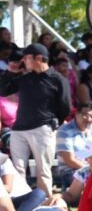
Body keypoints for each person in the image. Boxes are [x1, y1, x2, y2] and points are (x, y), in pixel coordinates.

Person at [1, 44, 72, 196]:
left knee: (43, 171)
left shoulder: (58, 79)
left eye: (26, 57)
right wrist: (10, 72)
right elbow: (3, 90)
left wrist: (51, 123)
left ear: (38, 58)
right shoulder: (25, 78)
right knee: (17, 169)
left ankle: (46, 204)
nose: (23, 61)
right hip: (18, 130)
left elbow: (65, 106)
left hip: (43, 129)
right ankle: (19, 204)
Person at [55, 102, 92, 189]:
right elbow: (70, 160)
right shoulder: (64, 131)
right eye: (85, 115)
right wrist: (91, 169)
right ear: (77, 114)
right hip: (71, 172)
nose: (88, 119)